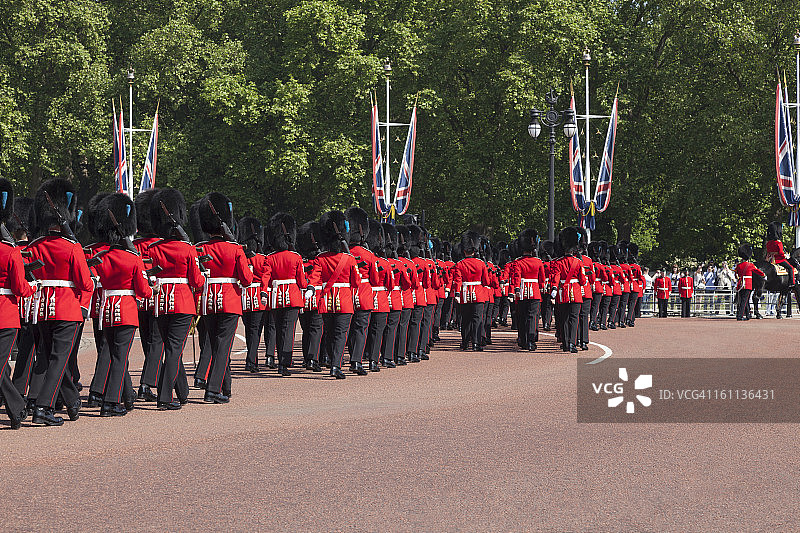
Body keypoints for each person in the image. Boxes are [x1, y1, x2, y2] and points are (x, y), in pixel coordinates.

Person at [26, 178, 93, 426]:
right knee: (59, 359)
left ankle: (70, 399)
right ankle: (43, 408)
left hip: (43, 308)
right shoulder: (71, 247)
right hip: (66, 308)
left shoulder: (35, 246)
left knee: (53, 356)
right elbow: (85, 284)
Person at [92, 193, 154, 416]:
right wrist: (152, 288)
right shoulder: (133, 258)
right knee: (120, 356)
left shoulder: (102, 256)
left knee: (117, 354)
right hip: (126, 310)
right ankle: (110, 402)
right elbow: (143, 291)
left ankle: (127, 398)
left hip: (107, 309)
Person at [148, 188, 205, 410]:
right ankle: (164, 397)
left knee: (171, 348)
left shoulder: (154, 249)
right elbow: (196, 281)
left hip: (161, 302)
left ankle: (182, 392)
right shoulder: (187, 249)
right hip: (182, 302)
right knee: (174, 349)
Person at [195, 192, 253, 399]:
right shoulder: (235, 249)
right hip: (229, 300)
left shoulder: (199, 249)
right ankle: (213, 389)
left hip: (209, 300)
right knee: (223, 346)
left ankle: (225, 387)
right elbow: (246, 279)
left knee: (218, 345)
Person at [0, 178, 38, 429]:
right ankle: (17, 408)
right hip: (6, 314)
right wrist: (31, 287)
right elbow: (19, 287)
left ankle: (15, 410)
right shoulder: (10, 251)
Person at [316, 210, 361, 379]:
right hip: (344, 300)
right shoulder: (349, 259)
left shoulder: (321, 258)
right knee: (341, 334)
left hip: (327, 300)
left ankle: (331, 361)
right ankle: (336, 365)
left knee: (329, 333)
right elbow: (356, 282)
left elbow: (316, 277)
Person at [263, 212, 308, 377]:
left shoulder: (270, 258)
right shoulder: (296, 257)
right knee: (288, 331)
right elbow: (302, 282)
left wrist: (263, 293)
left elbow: (266, 278)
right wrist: (308, 287)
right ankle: (284, 364)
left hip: (275, 298)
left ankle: (279, 358)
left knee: (278, 330)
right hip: (293, 296)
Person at [132, 188, 163, 402]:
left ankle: (153, 381)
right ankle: (146, 383)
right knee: (157, 342)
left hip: (139, 300)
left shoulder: (133, 247)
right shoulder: (162, 245)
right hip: (160, 298)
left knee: (147, 342)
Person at [344, 207, 377, 375]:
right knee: (361, 328)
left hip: (348, 294)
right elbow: (375, 279)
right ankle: (356, 361)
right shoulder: (368, 255)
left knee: (349, 328)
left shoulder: (345, 254)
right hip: (363, 294)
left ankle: (351, 357)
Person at [238, 217, 269, 373]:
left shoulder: (242, 257)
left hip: (244, 296)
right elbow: (265, 277)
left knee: (248, 329)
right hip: (258, 297)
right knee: (256, 330)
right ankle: (251, 361)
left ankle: (251, 360)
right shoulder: (262, 259)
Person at [452, 231, 490, 351]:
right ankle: (476, 343)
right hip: (478, 293)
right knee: (477, 319)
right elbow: (487, 281)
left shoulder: (459, 264)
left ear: (464, 250)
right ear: (475, 250)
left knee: (465, 320)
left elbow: (458, 280)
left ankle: (464, 343)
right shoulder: (481, 264)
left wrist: (457, 293)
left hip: (464, 294)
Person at [550, 227, 587, 353]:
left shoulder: (558, 263)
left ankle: (565, 344)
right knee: (574, 318)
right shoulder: (578, 262)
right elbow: (582, 280)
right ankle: (572, 343)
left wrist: (554, 289)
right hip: (575, 292)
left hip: (563, 293)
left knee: (564, 318)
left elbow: (556, 278)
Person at [510, 228, 545, 351]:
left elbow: (516, 277)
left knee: (521, 316)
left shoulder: (518, 262)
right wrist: (542, 288)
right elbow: (542, 279)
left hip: (522, 291)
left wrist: (517, 289)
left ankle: (523, 340)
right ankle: (531, 341)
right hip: (534, 291)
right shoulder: (538, 262)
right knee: (532, 316)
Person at [735, 244, 764, 321]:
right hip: (747, 284)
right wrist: (763, 275)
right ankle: (740, 316)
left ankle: (748, 315)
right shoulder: (750, 265)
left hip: (741, 284)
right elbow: (758, 271)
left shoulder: (739, 265)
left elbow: (736, 275)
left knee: (745, 299)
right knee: (744, 301)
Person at [765, 221, 800, 286]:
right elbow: (781, 253)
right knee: (791, 268)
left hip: (770, 260)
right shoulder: (778, 243)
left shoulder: (768, 243)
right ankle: (792, 283)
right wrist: (786, 256)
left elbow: (768, 252)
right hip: (779, 260)